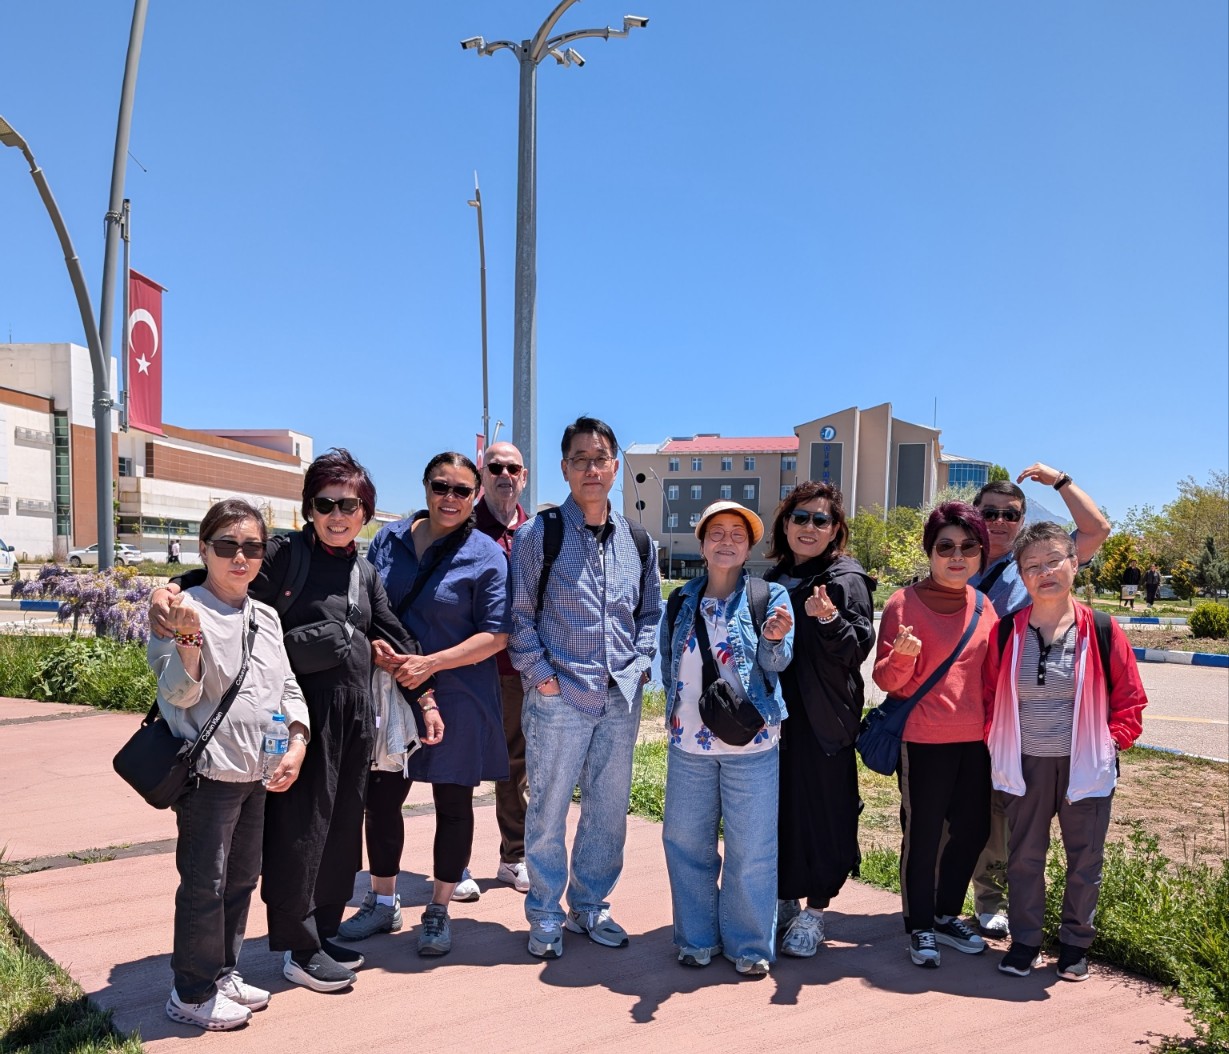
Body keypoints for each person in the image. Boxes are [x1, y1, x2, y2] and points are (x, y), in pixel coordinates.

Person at [151, 449, 440, 994]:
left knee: (339, 832)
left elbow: (396, 635)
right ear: (310, 508)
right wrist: (169, 589)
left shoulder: (364, 572)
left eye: (348, 505)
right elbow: (222, 576)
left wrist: (425, 698)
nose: (337, 515)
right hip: (294, 718)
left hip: (353, 719)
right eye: (325, 504)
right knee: (299, 835)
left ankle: (323, 933)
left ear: (365, 512)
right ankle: (297, 947)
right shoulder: (285, 555)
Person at [151, 498, 309, 1031]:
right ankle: (190, 992)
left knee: (240, 879)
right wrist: (187, 638)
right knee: (204, 884)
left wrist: (297, 740)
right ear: (204, 550)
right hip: (208, 775)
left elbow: (286, 685)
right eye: (227, 546)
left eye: (252, 547)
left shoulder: (265, 616)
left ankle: (221, 973)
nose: (240, 558)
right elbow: (177, 694)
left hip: (256, 772)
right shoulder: (181, 610)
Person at [344, 452, 510, 958]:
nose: (450, 498)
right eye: (441, 486)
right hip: (389, 689)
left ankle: (438, 909)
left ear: (475, 496)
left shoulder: (486, 555)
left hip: (458, 693)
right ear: (425, 487)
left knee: (453, 804)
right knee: (381, 798)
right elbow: (365, 603)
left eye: (462, 490)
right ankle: (382, 900)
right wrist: (375, 647)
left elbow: (497, 635)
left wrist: (430, 664)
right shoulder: (389, 538)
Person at [508, 415, 662, 959]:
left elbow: (650, 612)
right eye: (580, 460)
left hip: (619, 697)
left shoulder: (638, 541)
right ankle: (545, 912)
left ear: (615, 467)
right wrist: (544, 680)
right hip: (559, 698)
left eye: (600, 459)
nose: (591, 469)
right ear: (565, 468)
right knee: (547, 810)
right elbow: (519, 617)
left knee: (608, 810)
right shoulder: (538, 535)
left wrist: (641, 664)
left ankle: (590, 904)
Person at [985, 522, 1147, 980]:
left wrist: (1110, 742)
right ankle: (1026, 942)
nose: (1045, 572)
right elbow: (988, 697)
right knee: (1024, 859)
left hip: (1086, 766)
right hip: (1025, 766)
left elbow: (1130, 698)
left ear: (1074, 564)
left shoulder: (1101, 628)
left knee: (1085, 859)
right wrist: (994, 741)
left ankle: (1076, 944)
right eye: (1032, 566)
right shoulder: (1006, 632)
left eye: (1054, 560)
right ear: (1022, 576)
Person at [968, 464, 1110, 938]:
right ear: (975, 514)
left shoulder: (1033, 563)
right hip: (961, 711)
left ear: (1022, 519)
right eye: (990, 512)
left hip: (1015, 720)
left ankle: (995, 904)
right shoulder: (958, 556)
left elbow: (1096, 530)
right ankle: (945, 904)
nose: (999, 521)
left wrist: (1061, 481)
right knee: (965, 815)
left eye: (1010, 514)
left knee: (1006, 818)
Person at [660, 501, 794, 977]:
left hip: (752, 745)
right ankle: (696, 938)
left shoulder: (769, 596)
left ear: (749, 547)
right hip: (689, 745)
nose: (727, 541)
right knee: (685, 842)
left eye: (738, 534)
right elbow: (669, 663)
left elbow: (777, 663)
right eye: (716, 532)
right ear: (701, 544)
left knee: (751, 848)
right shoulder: (680, 599)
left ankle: (749, 944)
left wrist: (773, 639)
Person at [872, 501, 996, 969]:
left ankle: (946, 915)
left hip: (976, 742)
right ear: (930, 552)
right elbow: (886, 680)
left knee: (973, 830)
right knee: (923, 835)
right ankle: (920, 923)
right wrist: (903, 656)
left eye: (968, 547)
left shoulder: (983, 606)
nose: (957, 556)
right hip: (923, 740)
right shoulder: (903, 604)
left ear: (981, 553)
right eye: (946, 547)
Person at [763, 482, 876, 957]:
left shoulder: (845, 579)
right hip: (775, 719)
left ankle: (816, 911)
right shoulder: (774, 578)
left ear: (835, 529)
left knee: (825, 814)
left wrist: (828, 620)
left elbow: (857, 650)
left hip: (823, 720)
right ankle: (786, 899)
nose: (809, 527)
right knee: (780, 811)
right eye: (800, 517)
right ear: (785, 524)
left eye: (820, 520)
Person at [474, 441, 532, 893]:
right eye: (495, 467)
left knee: (516, 766)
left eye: (513, 468)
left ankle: (514, 856)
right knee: (454, 763)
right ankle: (452, 864)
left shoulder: (535, 532)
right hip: (466, 665)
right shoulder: (463, 525)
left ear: (524, 477)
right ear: (483, 473)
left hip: (517, 670)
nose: (505, 475)